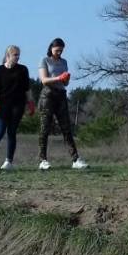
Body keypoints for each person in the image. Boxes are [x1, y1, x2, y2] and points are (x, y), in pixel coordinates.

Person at [38, 37, 87, 170]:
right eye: (57, 50)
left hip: (61, 94)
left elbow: (65, 83)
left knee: (66, 128)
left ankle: (75, 159)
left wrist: (66, 80)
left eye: (61, 50)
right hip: (47, 95)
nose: (59, 52)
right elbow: (43, 80)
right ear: (51, 48)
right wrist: (59, 77)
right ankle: (43, 160)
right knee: (45, 128)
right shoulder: (45, 60)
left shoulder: (64, 62)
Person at [0, 45, 36, 171]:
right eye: (15, 55)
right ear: (8, 56)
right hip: (3, 105)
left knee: (12, 132)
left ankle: (8, 161)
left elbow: (27, 88)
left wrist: (31, 103)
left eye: (18, 55)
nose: (18, 57)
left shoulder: (23, 70)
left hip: (18, 105)